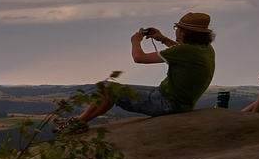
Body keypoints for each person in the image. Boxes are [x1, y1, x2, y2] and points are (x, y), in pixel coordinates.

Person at [63, 12, 217, 127]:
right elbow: (180, 50)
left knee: (109, 90)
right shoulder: (204, 49)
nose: (175, 31)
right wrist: (162, 39)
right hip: (179, 102)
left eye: (177, 28)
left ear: (184, 32)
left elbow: (139, 58)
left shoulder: (184, 52)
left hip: (166, 103)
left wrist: (135, 41)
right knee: (113, 91)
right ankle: (80, 122)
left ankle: (77, 124)